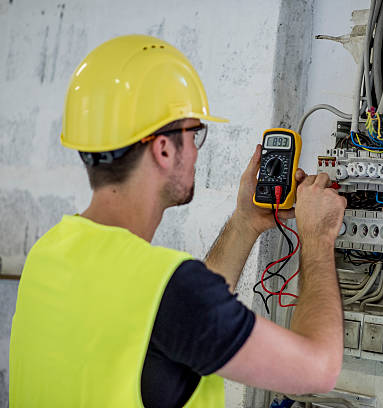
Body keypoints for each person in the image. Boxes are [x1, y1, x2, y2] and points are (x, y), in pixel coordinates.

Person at [9, 35, 347, 407]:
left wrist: (246, 221)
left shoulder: (49, 253)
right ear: (164, 149)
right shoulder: (170, 289)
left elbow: (183, 320)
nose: (197, 151)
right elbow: (319, 368)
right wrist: (318, 238)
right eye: (194, 133)